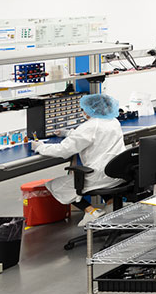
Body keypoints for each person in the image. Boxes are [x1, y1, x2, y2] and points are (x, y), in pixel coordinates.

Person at [32, 93, 127, 226]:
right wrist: (68, 133)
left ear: (91, 110)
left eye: (83, 109)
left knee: (56, 185)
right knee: (103, 182)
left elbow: (63, 150)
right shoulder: (113, 121)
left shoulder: (89, 126)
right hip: (116, 173)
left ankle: (91, 212)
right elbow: (90, 135)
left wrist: (40, 147)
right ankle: (111, 204)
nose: (83, 112)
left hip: (98, 175)